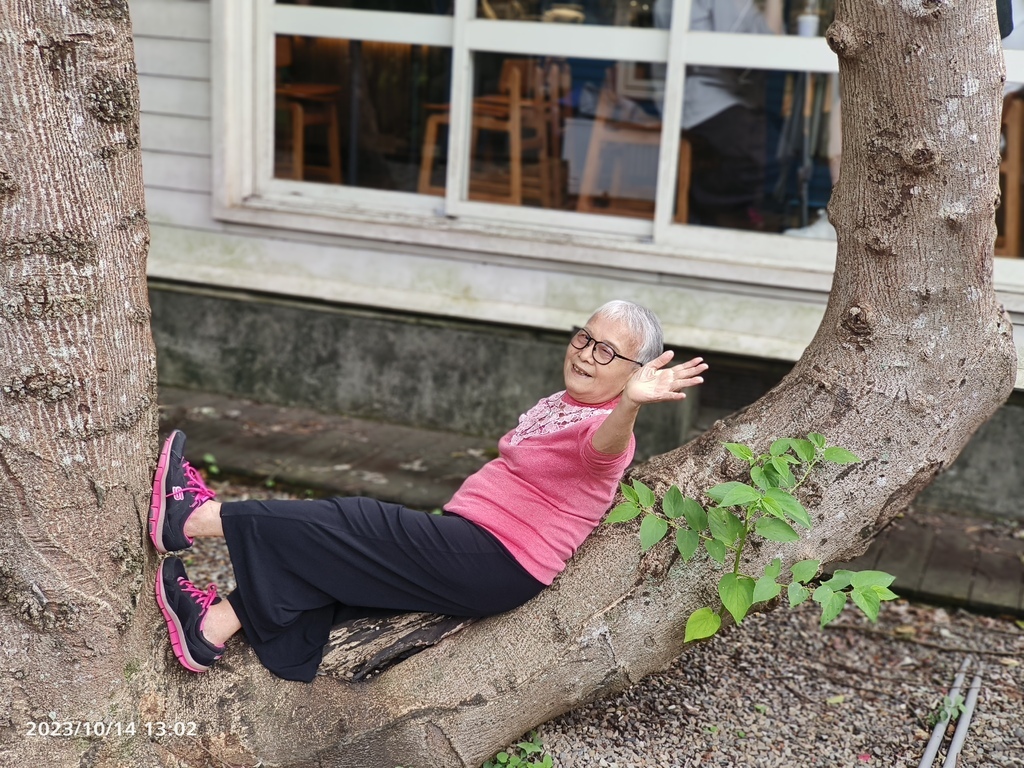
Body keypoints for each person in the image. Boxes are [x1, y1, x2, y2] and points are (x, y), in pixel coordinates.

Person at [149, 300, 709, 682]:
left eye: (608, 352)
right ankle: (208, 630)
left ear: (633, 370)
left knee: (354, 519)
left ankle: (195, 517)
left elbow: (605, 449)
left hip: (499, 557)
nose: (588, 353)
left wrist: (632, 402)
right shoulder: (565, 403)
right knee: (333, 561)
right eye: (585, 338)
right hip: (472, 543)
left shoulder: (607, 426)